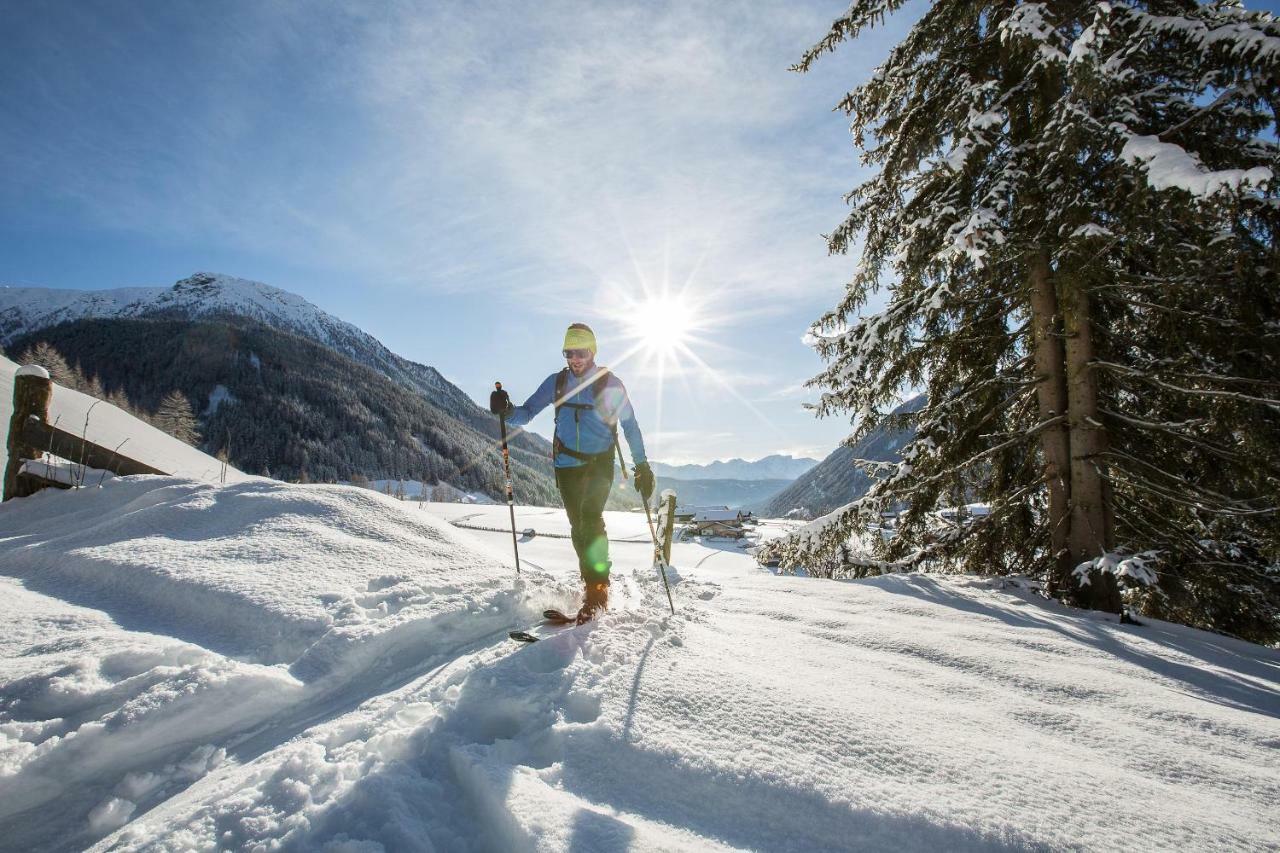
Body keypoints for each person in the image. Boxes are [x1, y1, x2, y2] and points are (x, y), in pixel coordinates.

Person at [494, 323, 655, 622]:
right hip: (566, 464)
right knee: (577, 526)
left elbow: (630, 425)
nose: (575, 359)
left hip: (599, 463)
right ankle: (591, 582)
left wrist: (641, 465)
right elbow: (527, 413)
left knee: (591, 520)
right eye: (569, 352)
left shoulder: (609, 384)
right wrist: (506, 410)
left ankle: (597, 592)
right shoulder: (557, 383)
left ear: (592, 352)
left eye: (581, 352)